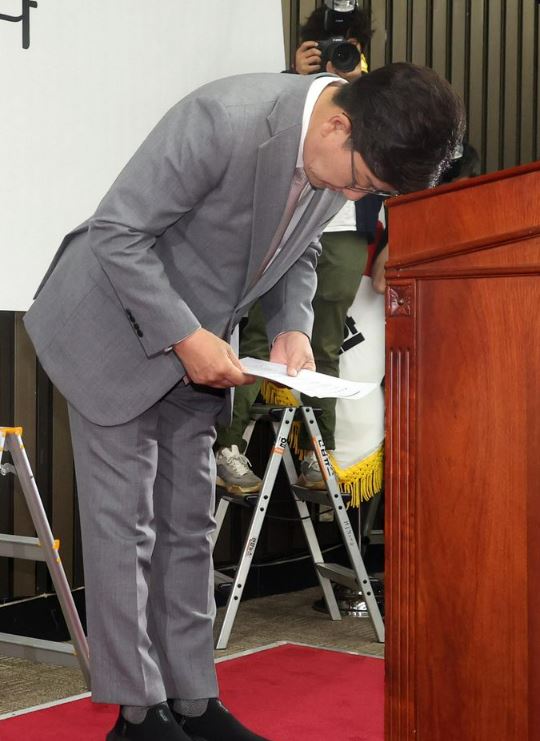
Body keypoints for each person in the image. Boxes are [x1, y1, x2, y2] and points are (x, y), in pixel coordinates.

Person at [23, 64, 465, 741]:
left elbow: (301, 247)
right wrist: (185, 335)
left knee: (188, 524)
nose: (353, 195)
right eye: (360, 182)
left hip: (203, 353)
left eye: (370, 193)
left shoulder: (341, 155)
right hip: (113, 328)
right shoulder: (224, 119)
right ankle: (138, 713)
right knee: (126, 526)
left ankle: (194, 699)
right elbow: (117, 232)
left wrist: (292, 325)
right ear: (338, 123)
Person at [215, 4, 382, 493]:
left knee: (324, 343)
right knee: (259, 334)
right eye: (331, 46)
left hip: (347, 229)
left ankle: (317, 452)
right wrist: (297, 76)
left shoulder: (376, 95)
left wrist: (359, 85)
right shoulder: (291, 89)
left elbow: (389, 165)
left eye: (349, 47)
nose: (338, 54)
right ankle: (227, 447)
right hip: (289, 219)